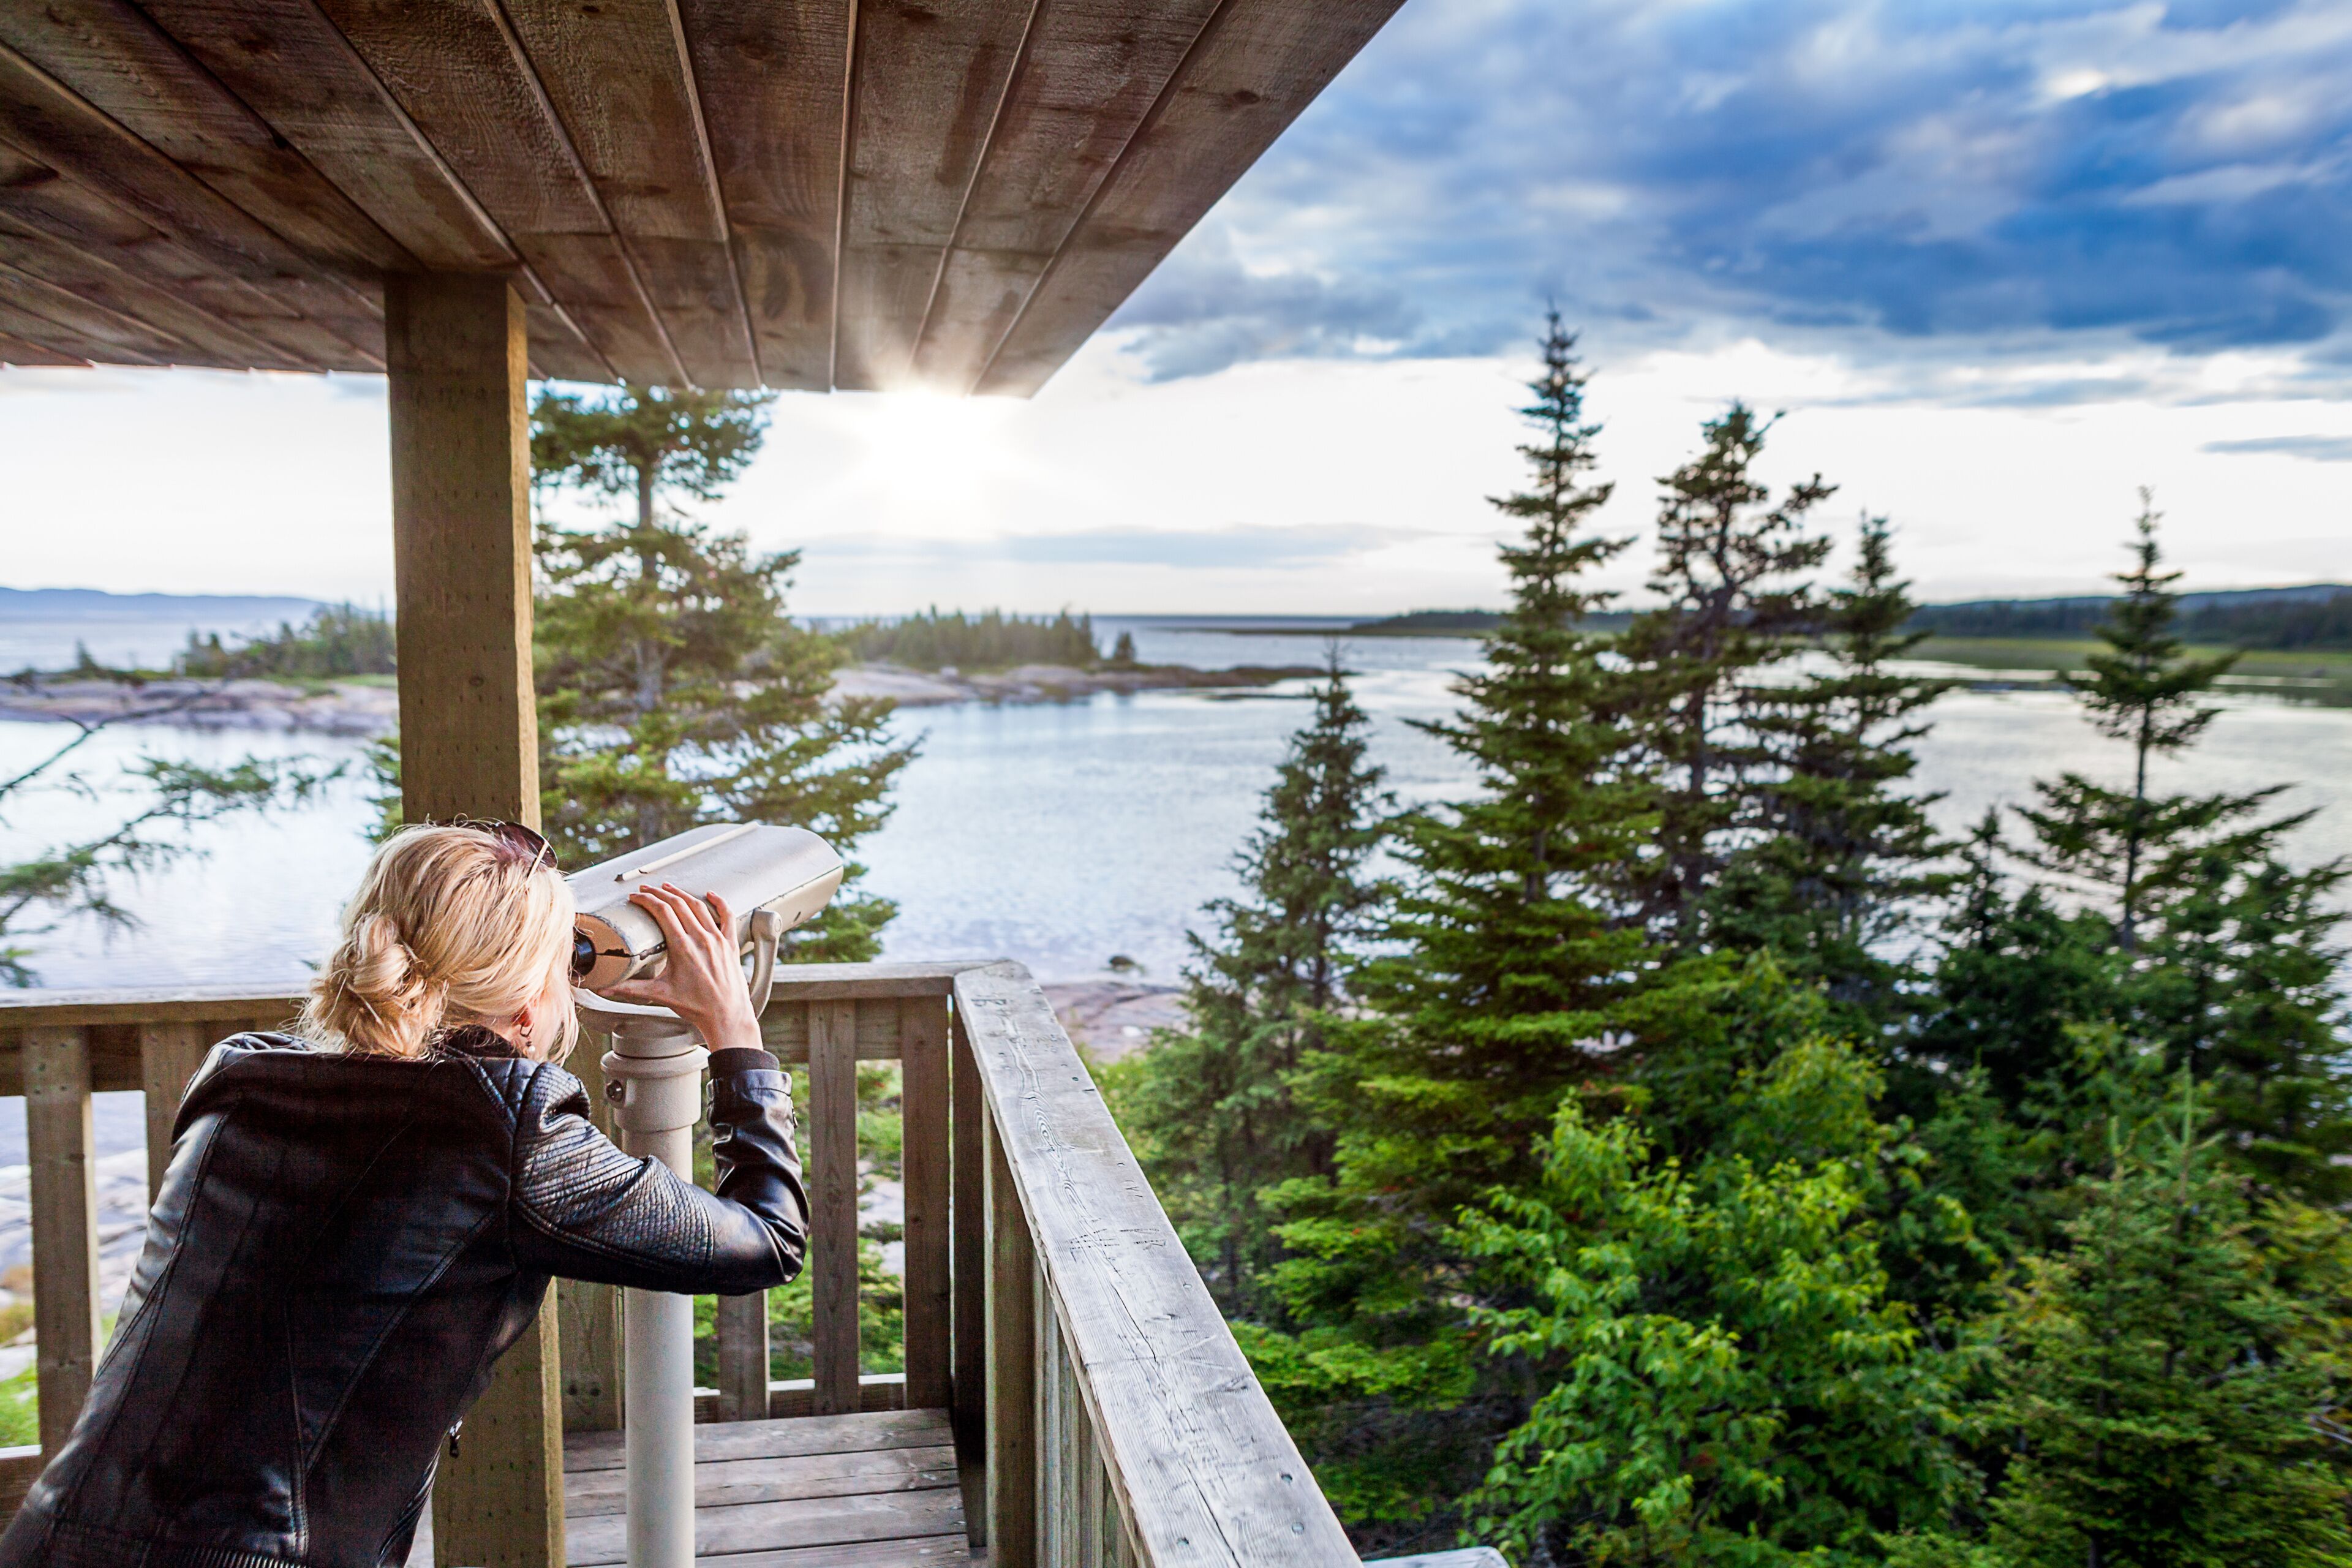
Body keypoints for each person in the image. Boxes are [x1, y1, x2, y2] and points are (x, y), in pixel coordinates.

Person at [0, 822, 809, 1568]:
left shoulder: (237, 1077)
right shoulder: (507, 1125)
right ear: (529, 1002)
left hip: (50, 1537)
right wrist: (737, 1036)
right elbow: (767, 1240)